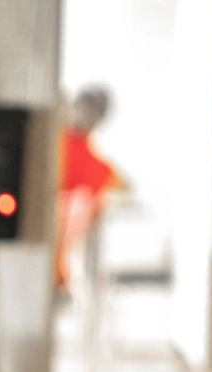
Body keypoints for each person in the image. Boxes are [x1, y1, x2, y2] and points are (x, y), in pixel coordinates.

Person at [55, 85, 123, 291]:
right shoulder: (45, 137)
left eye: (93, 111)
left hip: (53, 262)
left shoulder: (99, 170)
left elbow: (120, 192)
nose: (85, 114)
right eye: (84, 106)